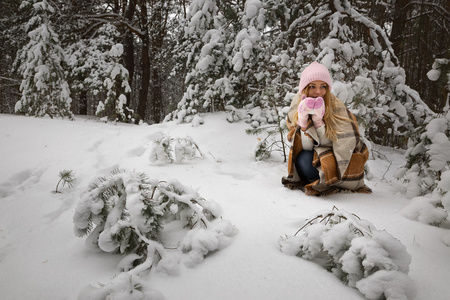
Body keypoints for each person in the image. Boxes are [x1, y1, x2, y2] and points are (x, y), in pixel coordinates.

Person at [281, 62, 372, 196]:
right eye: (313, 86)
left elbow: (342, 143)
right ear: (305, 88)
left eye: (323, 86)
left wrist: (319, 122)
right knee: (304, 158)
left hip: (340, 160)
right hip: (317, 158)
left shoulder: (335, 106)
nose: (318, 91)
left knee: (309, 160)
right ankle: (324, 178)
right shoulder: (297, 105)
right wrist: (304, 122)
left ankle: (332, 179)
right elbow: (305, 147)